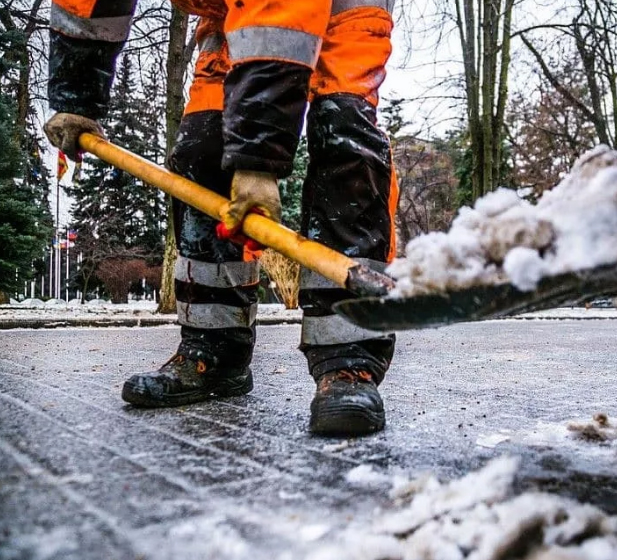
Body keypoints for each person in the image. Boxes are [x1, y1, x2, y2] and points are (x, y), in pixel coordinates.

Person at [43, 0, 399, 437]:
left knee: (344, 136)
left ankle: (348, 362)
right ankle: (213, 351)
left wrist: (256, 163)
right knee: (201, 149)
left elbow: (280, 14)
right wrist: (75, 98)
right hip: (234, 13)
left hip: (339, 10)